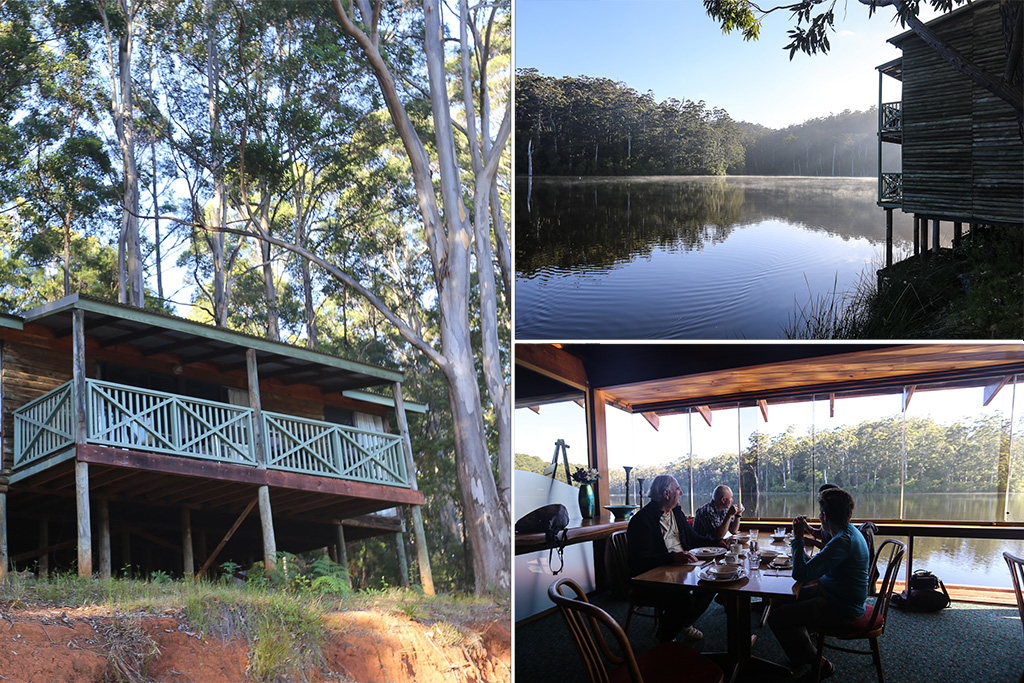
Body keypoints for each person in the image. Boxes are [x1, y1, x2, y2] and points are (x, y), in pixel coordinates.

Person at [768, 486, 870, 682]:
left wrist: (797, 538)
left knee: (777, 618)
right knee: (780, 601)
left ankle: (822, 665)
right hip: (834, 593)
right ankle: (800, 653)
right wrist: (806, 534)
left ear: (823, 515)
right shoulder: (848, 531)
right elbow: (827, 552)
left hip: (843, 608)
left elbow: (801, 574)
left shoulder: (843, 541)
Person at [626, 474, 725, 642]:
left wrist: (719, 542)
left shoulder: (676, 513)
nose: (681, 492)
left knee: (712, 582)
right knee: (683, 600)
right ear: (666, 494)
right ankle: (664, 637)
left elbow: (693, 538)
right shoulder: (642, 520)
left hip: (681, 567)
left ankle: (684, 624)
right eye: (678, 489)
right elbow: (640, 560)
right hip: (654, 577)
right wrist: (672, 558)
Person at [801, 483, 839, 549]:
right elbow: (821, 534)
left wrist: (813, 542)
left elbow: (833, 549)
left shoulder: (838, 519)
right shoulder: (826, 514)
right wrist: (805, 525)